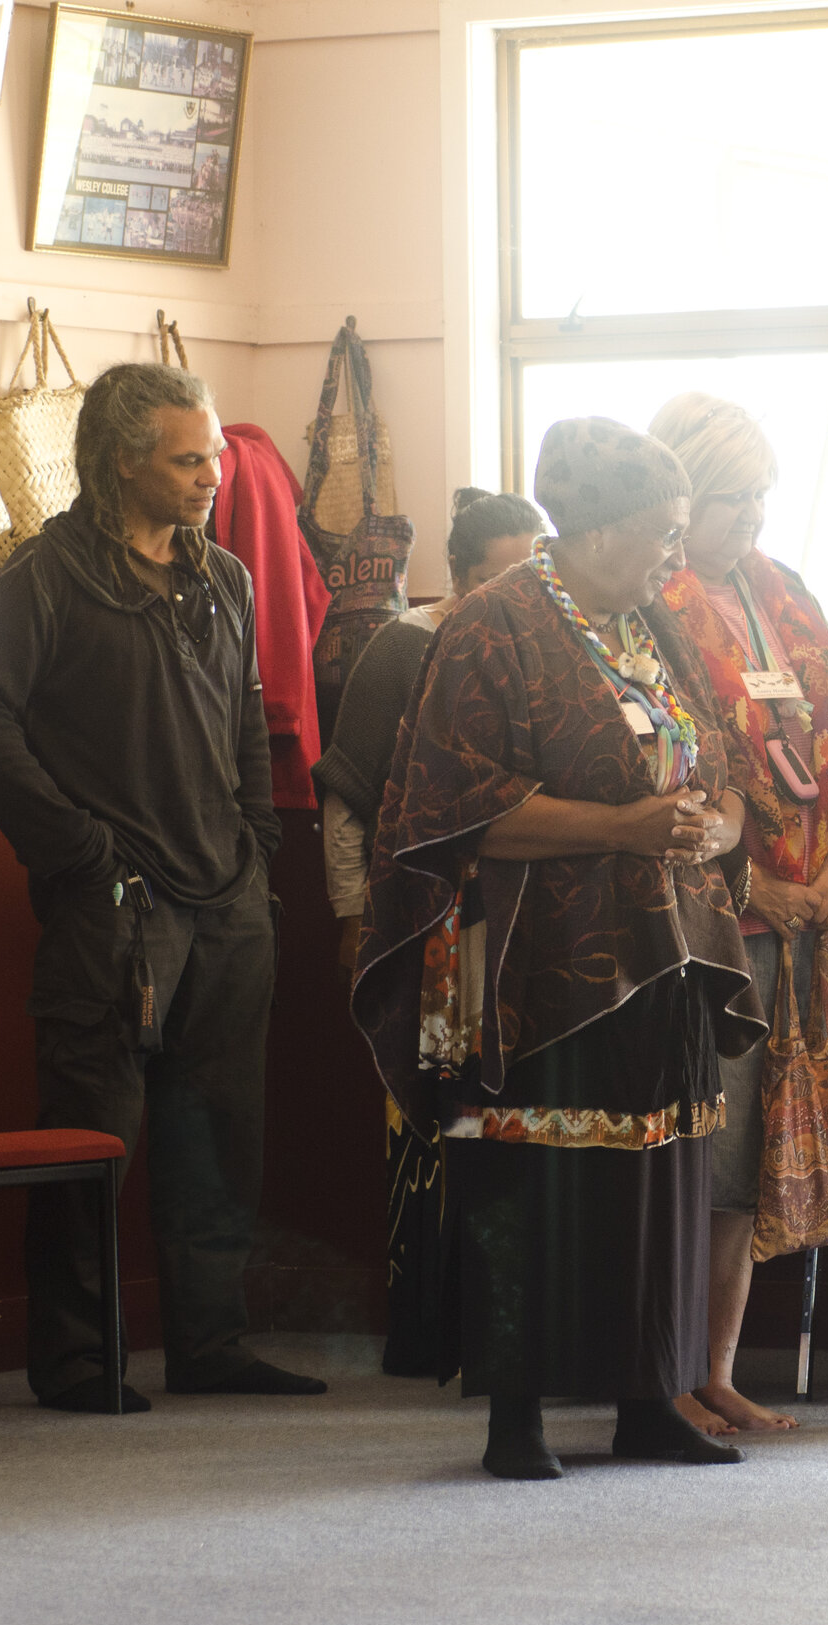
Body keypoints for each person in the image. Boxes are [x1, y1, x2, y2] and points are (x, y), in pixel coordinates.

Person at [351, 417, 766, 1480]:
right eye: (661, 533)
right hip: (543, 961)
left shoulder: (645, 624)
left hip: (662, 946)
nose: (678, 554)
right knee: (537, 1177)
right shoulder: (491, 628)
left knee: (660, 1173)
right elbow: (450, 811)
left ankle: (648, 1401)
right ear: (591, 527)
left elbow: (713, 764)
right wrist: (625, 829)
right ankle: (517, 1417)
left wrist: (713, 824)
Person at [0, 361, 325, 1411]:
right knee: (93, 1143)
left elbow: (250, 726)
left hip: (228, 904)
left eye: (213, 453)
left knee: (218, 1143)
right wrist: (76, 852)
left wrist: (255, 849)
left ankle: (210, 1344)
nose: (214, 474)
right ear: (122, 462)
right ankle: (73, 1361)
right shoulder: (46, 577)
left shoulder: (229, 579)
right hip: (114, 915)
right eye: (189, 457)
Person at [648, 391, 828, 1437]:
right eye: (733, 497)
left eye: (762, 496)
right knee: (693, 1146)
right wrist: (753, 887)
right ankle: (662, 1373)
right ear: (680, 496)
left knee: (742, 1163)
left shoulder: (783, 590)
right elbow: (668, 772)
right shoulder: (653, 600)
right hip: (703, 919)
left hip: (802, 928)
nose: (753, 517)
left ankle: (719, 1367)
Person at [314, 487, 545, 1377]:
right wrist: (349, 915)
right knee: (433, 1113)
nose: (528, 587)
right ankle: (429, 1329)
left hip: (522, 930)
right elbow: (348, 796)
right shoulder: (404, 646)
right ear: (462, 577)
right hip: (425, 922)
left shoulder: (550, 646)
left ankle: (513, 1331)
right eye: (508, 573)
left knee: (512, 1114)